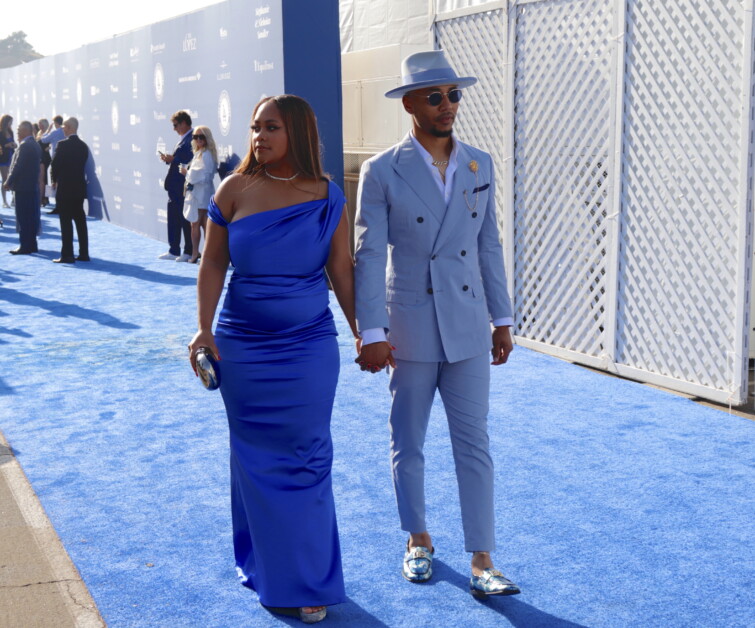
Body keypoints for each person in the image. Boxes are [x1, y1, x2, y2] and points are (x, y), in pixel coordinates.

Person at [353, 50, 521, 600]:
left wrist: (502, 318)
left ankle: (482, 558)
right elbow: (368, 252)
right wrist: (372, 331)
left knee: (474, 442)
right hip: (410, 325)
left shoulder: (480, 164)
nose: (447, 105)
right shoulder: (382, 170)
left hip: (470, 322)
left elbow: (488, 245)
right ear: (409, 104)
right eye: (435, 96)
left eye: (453, 94)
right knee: (410, 439)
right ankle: (418, 539)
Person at [187, 94, 357, 624]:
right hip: (242, 347)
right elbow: (213, 262)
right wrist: (203, 329)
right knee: (254, 458)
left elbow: (342, 271)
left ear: (300, 134)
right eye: (256, 127)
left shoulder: (328, 194)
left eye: (273, 128)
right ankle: (266, 564)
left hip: (308, 345)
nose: (260, 136)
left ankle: (309, 580)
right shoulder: (232, 189)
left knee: (308, 456)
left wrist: (363, 333)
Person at [50, 117, 90, 263]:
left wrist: (54, 180)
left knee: (66, 222)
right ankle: (84, 254)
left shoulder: (62, 145)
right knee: (80, 221)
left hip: (65, 189)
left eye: (64, 127)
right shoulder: (83, 146)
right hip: (79, 188)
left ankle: (67, 255)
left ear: (69, 127)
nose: (62, 130)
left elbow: (55, 165)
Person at [158, 110, 193, 261]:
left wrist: (175, 159)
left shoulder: (192, 138)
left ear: (184, 123)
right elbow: (180, 160)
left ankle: (188, 251)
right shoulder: (183, 139)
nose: (174, 129)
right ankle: (174, 249)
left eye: (176, 125)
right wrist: (170, 160)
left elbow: (190, 161)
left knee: (185, 220)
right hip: (174, 186)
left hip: (182, 187)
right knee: (174, 219)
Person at [180, 125, 217, 263]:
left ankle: (198, 254)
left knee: (197, 224)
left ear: (207, 138)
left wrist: (187, 174)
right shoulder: (200, 153)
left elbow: (207, 176)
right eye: (195, 137)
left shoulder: (206, 154)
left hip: (202, 194)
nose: (198, 139)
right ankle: (203, 254)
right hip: (198, 193)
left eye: (201, 136)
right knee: (200, 224)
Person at [3, 121, 41, 254]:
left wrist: (8, 181)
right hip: (31, 187)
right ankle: (32, 244)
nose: (17, 133)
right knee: (30, 217)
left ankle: (25, 245)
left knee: (23, 217)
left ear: (26, 131)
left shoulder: (25, 146)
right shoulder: (35, 144)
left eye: (19, 130)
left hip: (23, 187)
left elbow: (17, 166)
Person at [41, 115, 65, 214]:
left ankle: (58, 206)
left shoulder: (55, 132)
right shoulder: (65, 132)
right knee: (62, 183)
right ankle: (61, 205)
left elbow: (43, 140)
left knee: (55, 183)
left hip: (56, 160)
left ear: (55, 123)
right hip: (64, 160)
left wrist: (47, 131)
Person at [0, 114, 17, 209]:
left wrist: (14, 144)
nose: (12, 123)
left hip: (11, 156)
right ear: (6, 122)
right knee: (5, 179)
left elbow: (13, 142)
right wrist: (7, 145)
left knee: (12, 178)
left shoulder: (11, 131)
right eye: (11, 121)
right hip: (3, 158)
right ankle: (4, 201)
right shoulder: (0, 132)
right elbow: (1, 145)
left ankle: (13, 199)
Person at [37, 118, 52, 207]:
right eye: (39, 124)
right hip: (39, 157)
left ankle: (45, 198)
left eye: (41, 123)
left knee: (44, 179)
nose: (39, 125)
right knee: (42, 178)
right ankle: (44, 198)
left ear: (45, 124)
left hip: (45, 158)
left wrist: (49, 147)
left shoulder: (48, 132)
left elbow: (52, 142)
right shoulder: (39, 133)